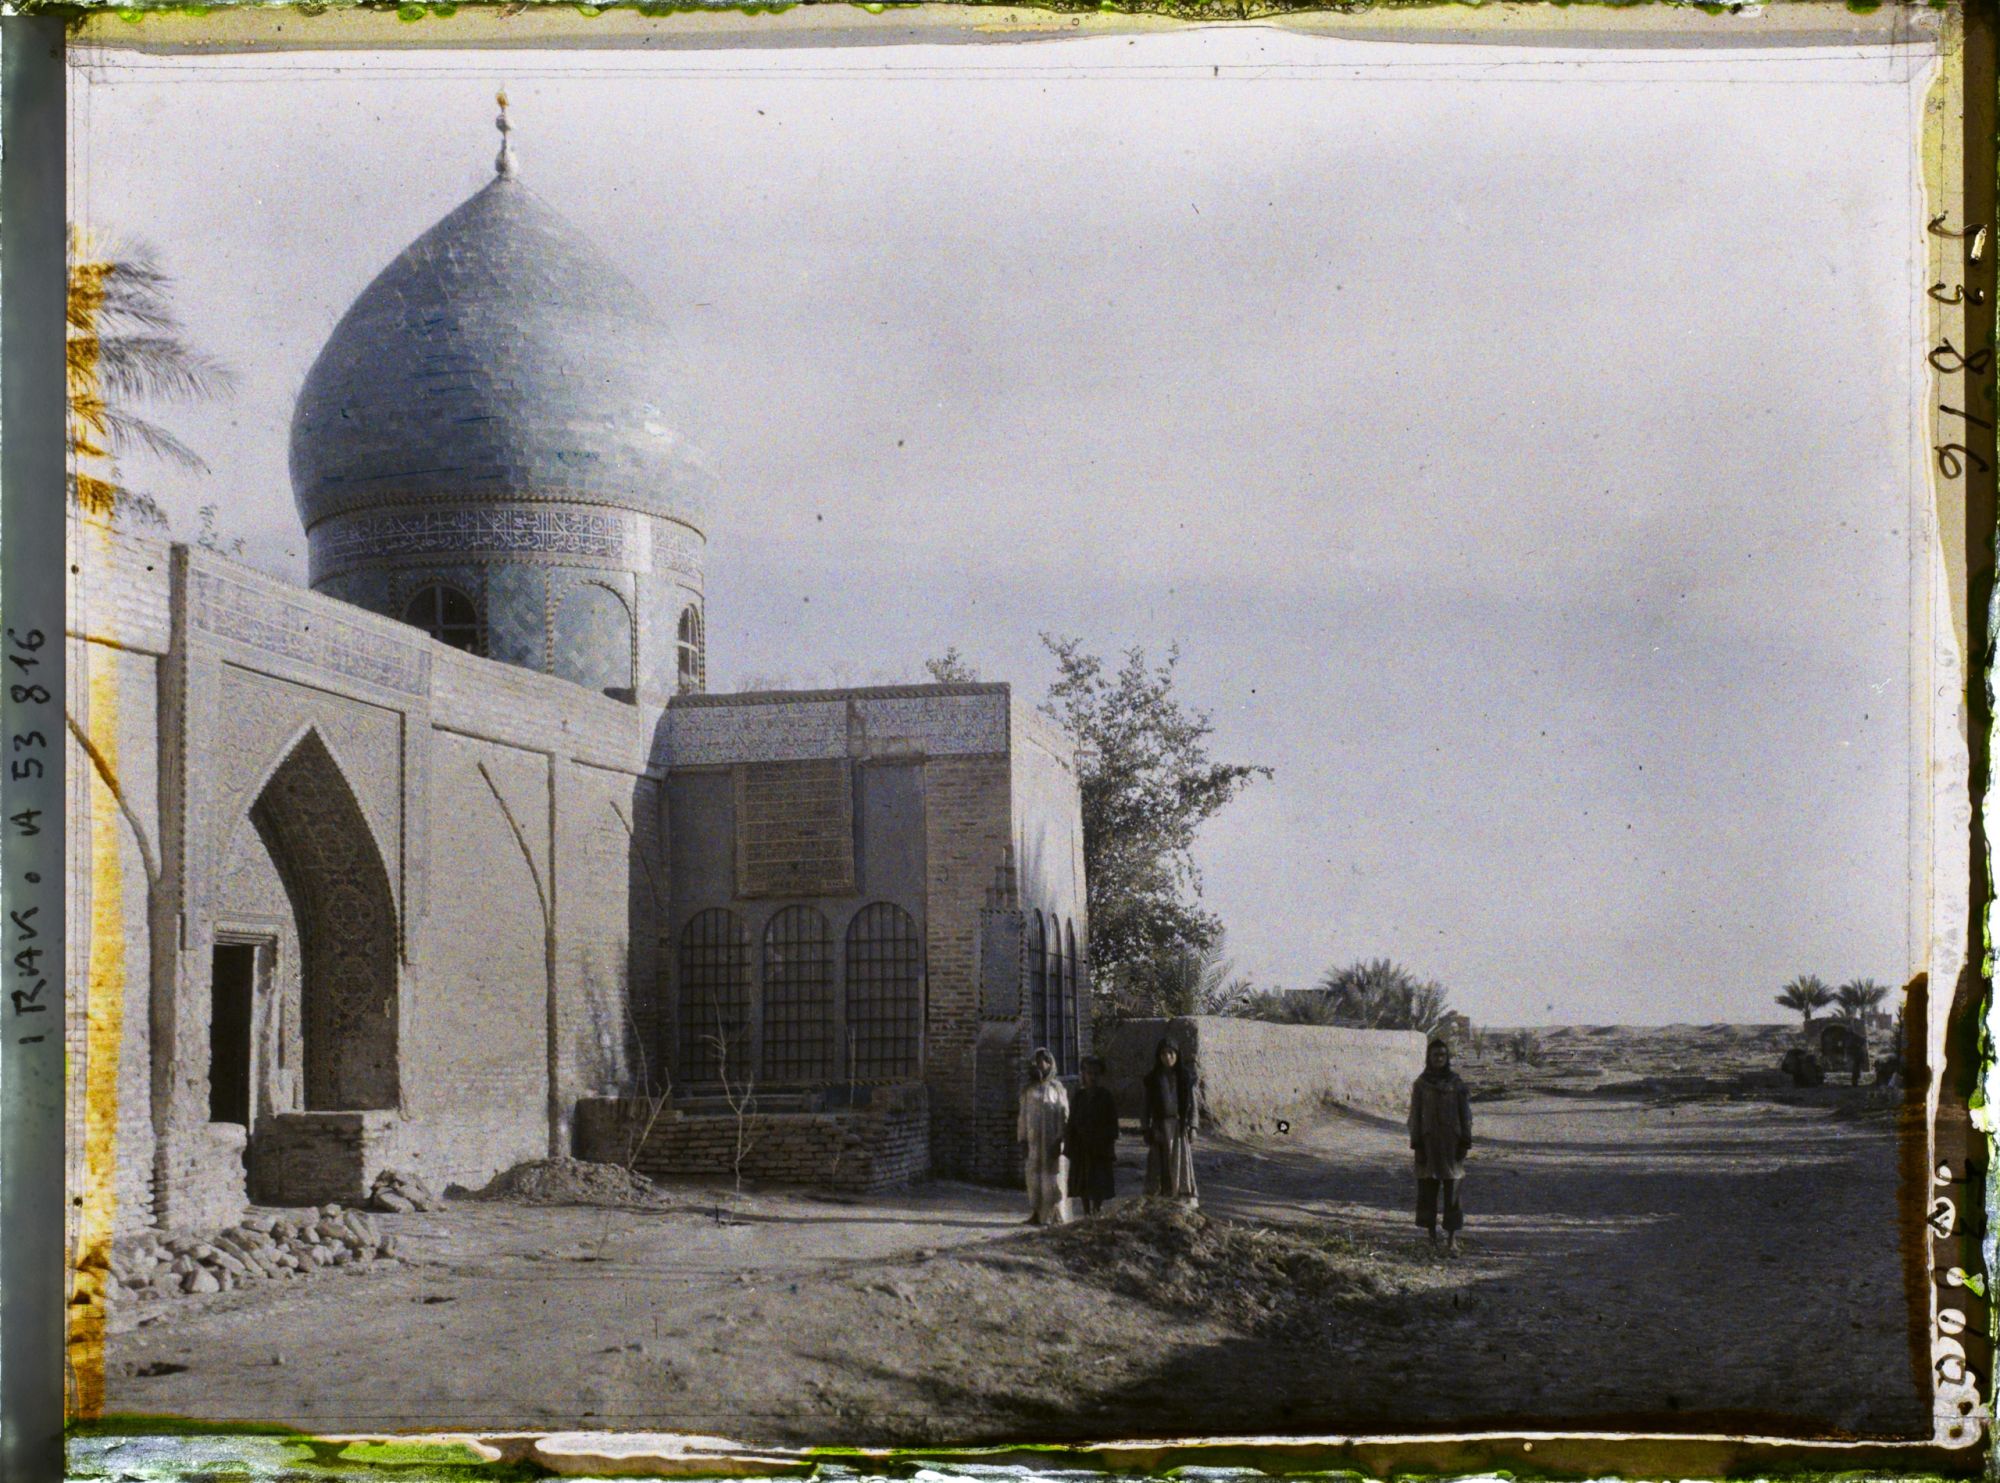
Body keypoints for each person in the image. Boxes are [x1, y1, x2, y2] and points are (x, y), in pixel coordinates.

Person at [1408, 1037, 1472, 1256]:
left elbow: (1466, 1115)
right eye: (1435, 1055)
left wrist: (1465, 1140)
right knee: (1427, 1191)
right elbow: (1414, 1115)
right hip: (1428, 1144)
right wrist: (1416, 1143)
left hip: (1451, 1145)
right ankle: (1431, 1239)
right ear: (1429, 1058)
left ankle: (1452, 1240)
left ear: (1447, 1058)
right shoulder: (1421, 1084)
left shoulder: (1456, 1084)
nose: (1438, 1059)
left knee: (1452, 1192)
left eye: (1442, 1055)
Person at [1141, 1037, 1198, 1207]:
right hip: (1160, 1128)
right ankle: (1161, 1201)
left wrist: (1193, 1126)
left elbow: (1193, 1104)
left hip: (1179, 1128)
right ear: (1159, 1056)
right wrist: (1146, 1129)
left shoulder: (1185, 1078)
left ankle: (1181, 1200)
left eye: (1171, 1053)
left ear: (1177, 1055)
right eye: (1164, 1054)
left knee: (1179, 1163)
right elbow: (1146, 1106)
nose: (1168, 1057)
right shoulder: (1152, 1080)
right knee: (1160, 1164)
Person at [1017, 1046, 1070, 1226]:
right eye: (1038, 1062)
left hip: (1051, 1141)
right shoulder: (1028, 1091)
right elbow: (1022, 1116)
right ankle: (1036, 1213)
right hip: (1033, 1141)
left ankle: (1054, 1214)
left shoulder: (1057, 1089)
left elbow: (1064, 1115)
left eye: (1044, 1062)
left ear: (1050, 1064)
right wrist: (1022, 1139)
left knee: (1052, 1179)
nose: (1041, 1065)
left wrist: (1060, 1139)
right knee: (1033, 1177)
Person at [1066, 1055, 1120, 1216]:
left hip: (1099, 1147)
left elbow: (1112, 1122)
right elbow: (1072, 1121)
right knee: (1082, 1181)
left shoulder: (1106, 1097)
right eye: (1089, 1073)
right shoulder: (1079, 1097)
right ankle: (1086, 1212)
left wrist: (1107, 1140)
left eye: (1096, 1074)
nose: (1092, 1077)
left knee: (1098, 1181)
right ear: (1083, 1074)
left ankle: (1097, 1209)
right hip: (1082, 1146)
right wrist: (1070, 1143)